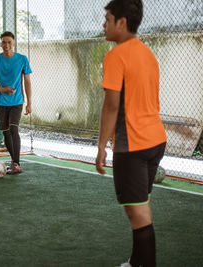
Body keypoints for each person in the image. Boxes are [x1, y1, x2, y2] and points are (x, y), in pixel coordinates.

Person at [95, 0, 167, 266]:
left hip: (133, 147)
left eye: (108, 19)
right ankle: (136, 261)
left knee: (138, 215)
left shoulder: (116, 55)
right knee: (140, 207)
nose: (104, 24)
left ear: (122, 22)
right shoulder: (148, 54)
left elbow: (111, 105)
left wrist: (101, 146)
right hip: (156, 141)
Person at [0, 31, 32, 174]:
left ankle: (17, 163)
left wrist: (29, 102)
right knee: (6, 133)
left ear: (13, 43)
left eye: (9, 42)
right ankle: (14, 162)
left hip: (17, 101)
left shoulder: (22, 59)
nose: (6, 45)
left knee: (14, 129)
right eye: (3, 42)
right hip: (2, 102)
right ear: (1, 44)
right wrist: (3, 89)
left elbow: (27, 81)